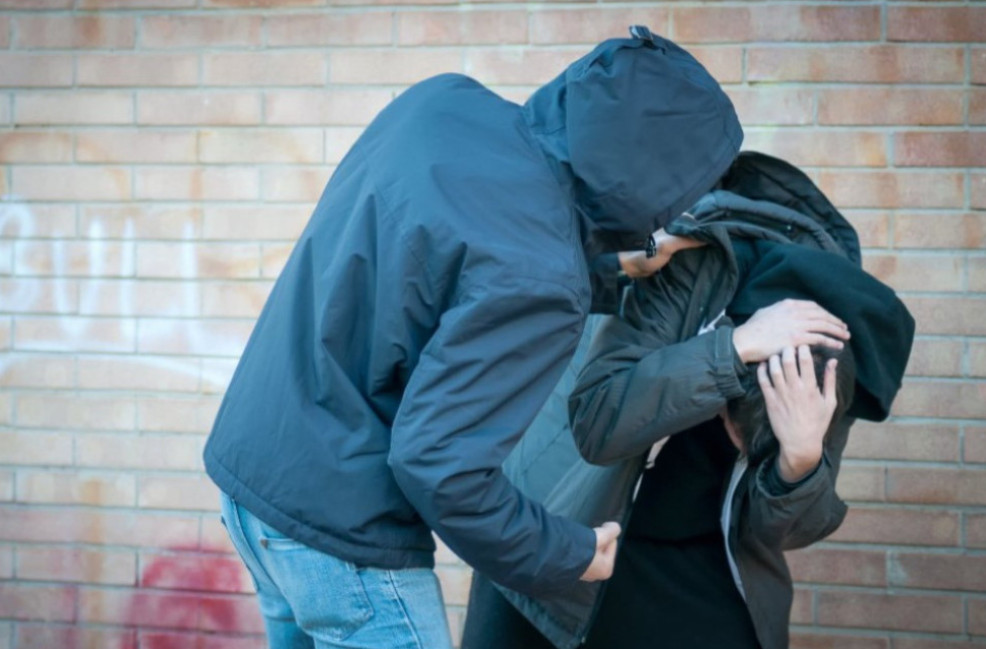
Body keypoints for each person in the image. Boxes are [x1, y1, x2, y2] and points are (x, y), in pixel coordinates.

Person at [202, 26, 743, 649]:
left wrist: (611, 268)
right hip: (342, 539)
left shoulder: (441, 102)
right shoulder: (542, 276)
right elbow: (439, 466)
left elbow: (454, 265)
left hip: (254, 486)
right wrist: (568, 553)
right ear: (660, 174)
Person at [462, 152, 915, 649]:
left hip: (705, 564)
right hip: (567, 517)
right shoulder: (679, 261)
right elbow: (599, 422)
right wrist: (729, 353)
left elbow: (783, 532)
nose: (736, 448)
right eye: (733, 430)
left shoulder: (827, 348)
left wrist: (800, 462)